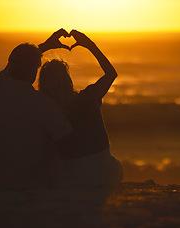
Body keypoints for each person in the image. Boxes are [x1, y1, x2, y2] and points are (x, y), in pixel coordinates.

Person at [0, 29, 74, 190]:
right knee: (54, 140)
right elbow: (67, 142)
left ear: (10, 64)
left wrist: (45, 46)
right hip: (25, 185)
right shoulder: (43, 103)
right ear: (36, 70)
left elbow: (15, 65)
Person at [38, 30, 123, 188]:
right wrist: (90, 45)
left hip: (74, 176)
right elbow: (111, 73)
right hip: (106, 173)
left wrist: (42, 48)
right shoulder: (88, 97)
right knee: (117, 166)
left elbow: (13, 78)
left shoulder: (46, 110)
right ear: (68, 81)